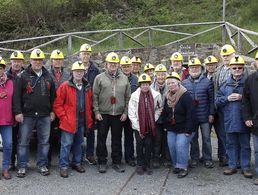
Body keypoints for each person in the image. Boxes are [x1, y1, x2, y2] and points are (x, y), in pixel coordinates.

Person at [13, 49, 56, 178]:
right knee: (23, 142)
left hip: (45, 115)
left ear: (43, 61)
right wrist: (18, 112)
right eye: (35, 60)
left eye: (40, 60)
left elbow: (54, 96)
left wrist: (53, 111)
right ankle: (22, 166)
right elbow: (16, 97)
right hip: (27, 115)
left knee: (44, 142)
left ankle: (42, 165)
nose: (37, 62)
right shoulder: (22, 76)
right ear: (30, 61)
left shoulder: (48, 76)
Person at [53, 61, 93, 178]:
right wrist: (63, 118)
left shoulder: (87, 87)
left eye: (81, 72)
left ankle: (77, 163)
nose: (79, 74)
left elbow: (90, 104)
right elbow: (57, 104)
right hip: (68, 121)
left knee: (79, 143)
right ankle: (64, 166)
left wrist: (89, 119)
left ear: (84, 73)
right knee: (66, 144)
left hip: (81, 121)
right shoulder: (65, 86)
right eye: (77, 71)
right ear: (72, 73)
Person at [93, 52, 131, 173]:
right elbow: (94, 96)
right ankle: (102, 161)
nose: (113, 65)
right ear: (106, 64)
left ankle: (116, 161)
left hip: (118, 114)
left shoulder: (124, 78)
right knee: (101, 138)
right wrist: (96, 111)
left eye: (115, 63)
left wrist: (125, 112)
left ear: (118, 64)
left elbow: (127, 97)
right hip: (103, 113)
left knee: (117, 138)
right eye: (111, 63)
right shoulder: (99, 78)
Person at [216, 55, 252, 179]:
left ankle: (246, 167)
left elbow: (254, 100)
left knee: (245, 145)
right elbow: (217, 100)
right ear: (230, 69)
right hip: (229, 120)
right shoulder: (225, 85)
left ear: (243, 69)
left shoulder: (248, 84)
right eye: (234, 68)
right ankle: (232, 165)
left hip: (244, 121)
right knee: (230, 144)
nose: (237, 70)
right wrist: (226, 98)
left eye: (239, 68)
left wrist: (242, 98)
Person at [182, 58, 215, 168]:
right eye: (192, 67)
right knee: (193, 139)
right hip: (191, 117)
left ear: (201, 68)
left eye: (196, 67)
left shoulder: (207, 82)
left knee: (206, 139)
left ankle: (207, 159)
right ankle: (194, 158)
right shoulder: (184, 83)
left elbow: (212, 100)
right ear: (189, 69)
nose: (194, 69)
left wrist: (211, 114)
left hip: (205, 116)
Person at [162, 72, 195, 178]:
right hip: (172, 127)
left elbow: (191, 113)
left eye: (173, 83)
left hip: (185, 127)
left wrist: (188, 130)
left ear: (178, 83)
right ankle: (177, 164)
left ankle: (183, 167)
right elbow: (165, 112)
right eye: (169, 83)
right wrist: (166, 126)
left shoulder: (185, 95)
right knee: (171, 145)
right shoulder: (167, 96)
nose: (171, 85)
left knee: (180, 145)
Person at [128, 73, 162, 175]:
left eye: (147, 84)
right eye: (143, 84)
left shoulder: (156, 95)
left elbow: (159, 108)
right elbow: (131, 112)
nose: (145, 86)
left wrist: (154, 118)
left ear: (149, 84)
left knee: (148, 144)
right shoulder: (134, 96)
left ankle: (147, 164)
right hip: (138, 125)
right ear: (140, 85)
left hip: (150, 125)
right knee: (139, 145)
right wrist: (138, 127)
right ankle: (139, 164)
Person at [213, 44, 236, 166]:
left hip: (234, 107)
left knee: (233, 133)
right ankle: (224, 157)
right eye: (224, 56)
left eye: (228, 55)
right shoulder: (219, 70)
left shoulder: (240, 68)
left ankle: (234, 158)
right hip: (221, 107)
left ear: (234, 54)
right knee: (222, 133)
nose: (226, 58)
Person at [48, 49, 70, 166]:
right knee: (49, 136)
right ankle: (48, 161)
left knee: (64, 136)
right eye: (55, 59)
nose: (58, 61)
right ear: (51, 61)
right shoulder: (46, 73)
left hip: (64, 110)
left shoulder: (68, 75)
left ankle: (64, 161)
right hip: (51, 109)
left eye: (60, 59)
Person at [80, 43, 100, 165]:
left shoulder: (95, 70)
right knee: (78, 130)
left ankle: (90, 154)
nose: (86, 56)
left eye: (88, 54)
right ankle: (78, 154)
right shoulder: (75, 67)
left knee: (91, 130)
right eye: (84, 54)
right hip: (78, 103)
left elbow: (97, 89)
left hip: (91, 104)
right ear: (80, 55)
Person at [6, 51, 25, 170]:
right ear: (11, 62)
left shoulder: (27, 75)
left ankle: (22, 163)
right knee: (11, 140)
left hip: (24, 112)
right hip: (9, 113)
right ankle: (11, 162)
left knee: (23, 140)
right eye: (14, 61)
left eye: (18, 61)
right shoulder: (5, 76)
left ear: (22, 62)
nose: (16, 64)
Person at [151, 64, 171, 168]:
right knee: (157, 138)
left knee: (166, 138)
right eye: (158, 75)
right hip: (156, 116)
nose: (161, 77)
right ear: (155, 76)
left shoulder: (170, 86)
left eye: (163, 75)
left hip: (167, 116)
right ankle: (155, 158)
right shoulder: (151, 87)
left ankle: (166, 158)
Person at [242, 51, 258, 185]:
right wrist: (247, 117)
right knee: (257, 150)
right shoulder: (250, 79)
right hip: (256, 121)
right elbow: (245, 101)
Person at [120, 56, 138, 167]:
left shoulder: (136, 79)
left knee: (129, 136)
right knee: (116, 136)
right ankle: (117, 157)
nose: (126, 68)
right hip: (119, 111)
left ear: (132, 67)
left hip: (132, 112)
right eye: (124, 66)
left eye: (128, 66)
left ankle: (129, 157)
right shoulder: (117, 78)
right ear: (121, 67)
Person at [0, 57, 14, 179]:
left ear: (4, 69)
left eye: (1, 67)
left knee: (8, 144)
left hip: (7, 119)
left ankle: (6, 168)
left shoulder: (10, 82)